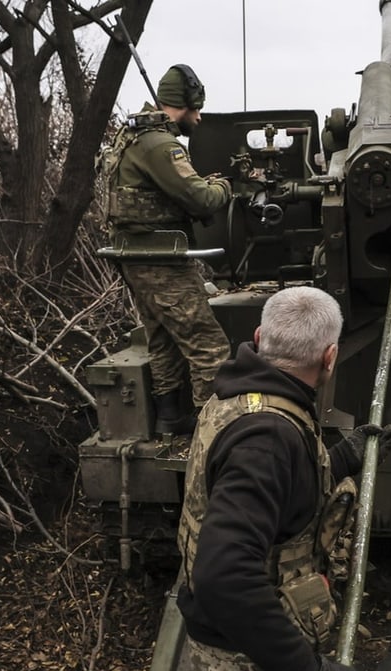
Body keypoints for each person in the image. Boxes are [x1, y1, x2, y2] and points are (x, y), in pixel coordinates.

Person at [176, 286, 391, 671]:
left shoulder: (244, 397)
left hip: (241, 637)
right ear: (330, 357)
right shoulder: (268, 438)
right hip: (245, 656)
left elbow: (276, 496)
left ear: (260, 338)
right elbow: (225, 577)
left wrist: (341, 460)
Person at [101, 64, 233, 434]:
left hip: (136, 258)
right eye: (197, 109)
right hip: (163, 263)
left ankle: (171, 420)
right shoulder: (160, 144)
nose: (200, 117)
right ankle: (213, 434)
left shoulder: (132, 135)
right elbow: (202, 199)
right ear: (185, 104)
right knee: (209, 348)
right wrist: (224, 187)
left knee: (163, 343)